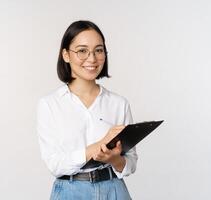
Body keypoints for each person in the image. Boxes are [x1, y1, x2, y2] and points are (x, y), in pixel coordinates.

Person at [36, 20, 138, 200]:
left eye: (98, 50)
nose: (92, 59)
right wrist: (98, 146)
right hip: (70, 191)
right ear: (66, 55)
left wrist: (115, 160)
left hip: (114, 190)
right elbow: (55, 164)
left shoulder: (118, 103)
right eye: (82, 50)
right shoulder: (49, 104)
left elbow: (131, 163)